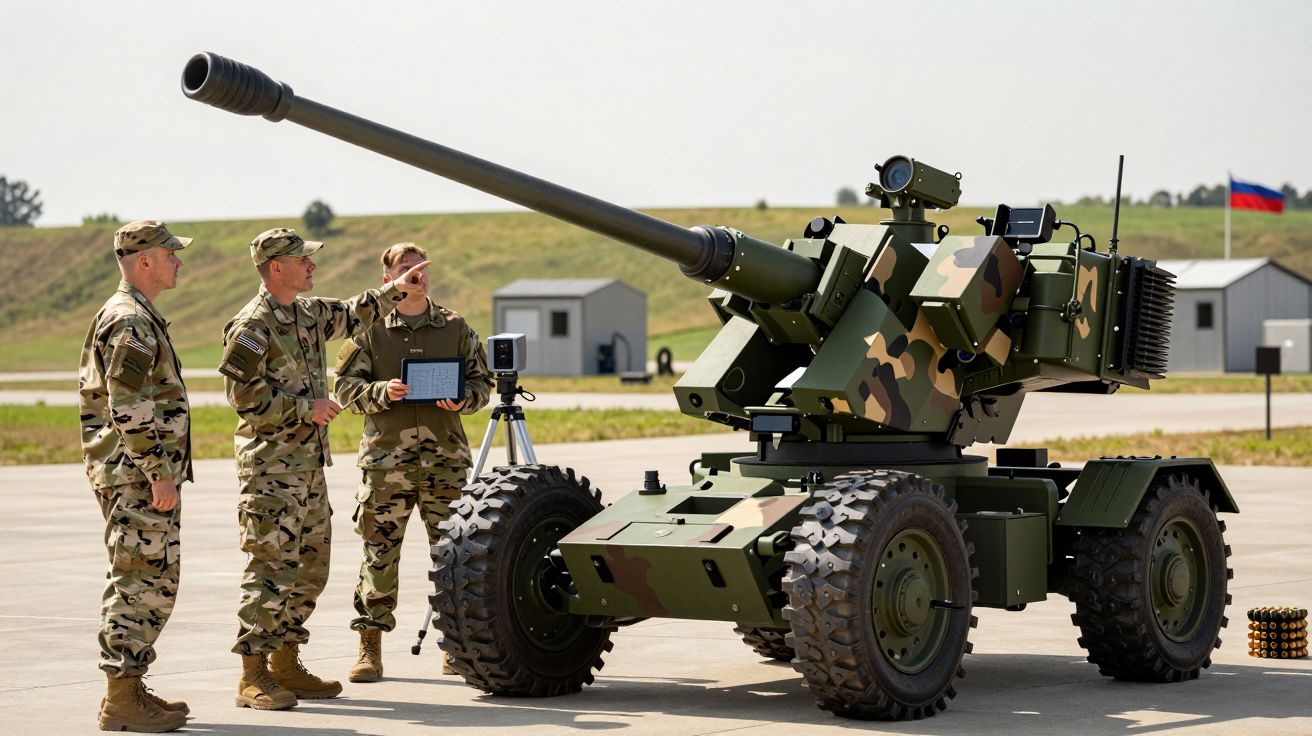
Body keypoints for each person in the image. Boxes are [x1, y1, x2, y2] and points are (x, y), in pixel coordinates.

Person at [220, 227, 428, 710]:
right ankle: (253, 675)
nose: (312, 267)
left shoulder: (307, 313)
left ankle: (286, 663)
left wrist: (399, 287)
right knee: (270, 570)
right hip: (270, 470)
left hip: (309, 467)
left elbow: (356, 310)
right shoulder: (253, 324)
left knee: (310, 568)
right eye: (303, 260)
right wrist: (303, 409)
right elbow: (242, 395)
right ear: (277, 267)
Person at [333, 242, 492, 683]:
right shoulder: (368, 329)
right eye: (405, 268)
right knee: (379, 555)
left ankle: (456, 645)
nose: (416, 272)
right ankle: (370, 648)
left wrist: (465, 399)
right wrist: (382, 392)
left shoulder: (456, 326)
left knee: (456, 557)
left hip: (445, 462)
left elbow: (482, 383)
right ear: (388, 280)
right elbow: (345, 388)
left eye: (421, 265)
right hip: (387, 465)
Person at [79, 220, 193, 732]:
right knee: (137, 583)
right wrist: (158, 473)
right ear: (144, 259)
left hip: (137, 473)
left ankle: (130, 687)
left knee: (152, 580)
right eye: (171, 254)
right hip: (137, 476)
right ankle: (120, 700)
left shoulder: (139, 316)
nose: (178, 262)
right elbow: (128, 406)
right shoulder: (128, 321)